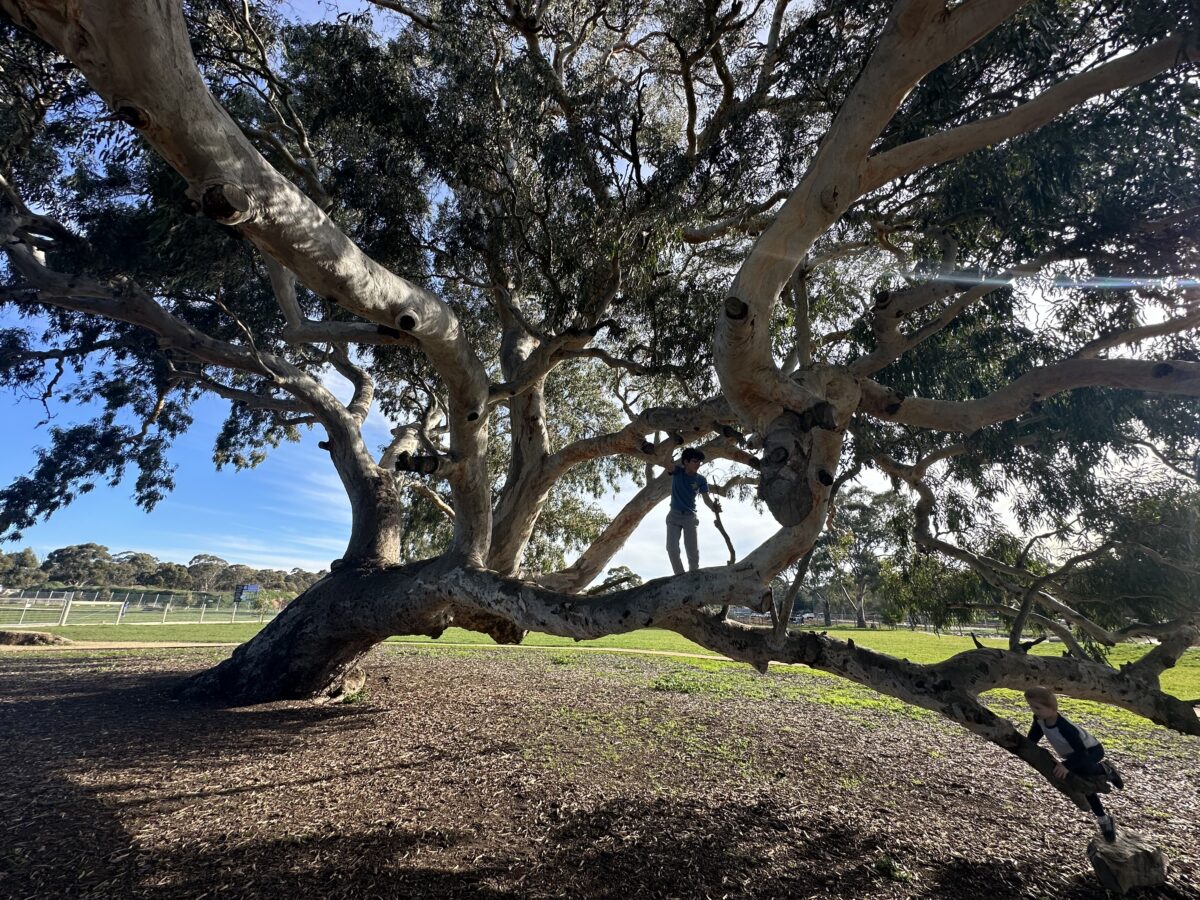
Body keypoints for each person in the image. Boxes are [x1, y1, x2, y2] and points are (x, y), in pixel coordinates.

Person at [1025, 686, 1125, 841]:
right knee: (1085, 786)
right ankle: (1103, 819)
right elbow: (1034, 736)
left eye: (1038, 707)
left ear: (1052, 708)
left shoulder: (1065, 728)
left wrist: (1066, 765)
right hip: (1073, 755)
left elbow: (1082, 753)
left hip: (1091, 751)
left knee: (1084, 773)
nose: (1034, 710)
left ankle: (1107, 769)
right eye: (1031, 706)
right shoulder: (1040, 719)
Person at [664, 448, 722, 575]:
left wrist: (714, 507)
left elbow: (706, 499)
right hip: (674, 515)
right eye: (695, 461)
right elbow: (667, 463)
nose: (698, 464)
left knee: (692, 552)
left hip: (690, 517)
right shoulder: (677, 472)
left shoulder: (701, 480)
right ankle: (679, 576)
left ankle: (693, 577)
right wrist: (673, 443)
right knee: (671, 548)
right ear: (685, 462)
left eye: (699, 462)